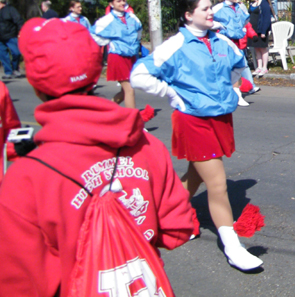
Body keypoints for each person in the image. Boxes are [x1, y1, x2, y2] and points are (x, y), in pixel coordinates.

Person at [0, 18, 195, 294]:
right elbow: (178, 229)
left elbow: (20, 284)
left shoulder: (25, 178)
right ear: (95, 76)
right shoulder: (147, 145)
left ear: (35, 86)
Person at [130, 0, 264, 271]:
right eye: (204, 9)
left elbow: (240, 64)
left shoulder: (220, 40)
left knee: (195, 176)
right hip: (193, 120)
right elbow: (139, 76)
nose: (210, 12)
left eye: (210, 7)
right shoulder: (175, 44)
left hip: (221, 118)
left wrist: (230, 88)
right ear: (188, 15)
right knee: (217, 185)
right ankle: (233, 247)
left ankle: (165, 216)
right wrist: (172, 93)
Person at [91, 0, 143, 108]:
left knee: (125, 91)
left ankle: (106, 110)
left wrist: (135, 44)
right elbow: (92, 33)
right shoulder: (107, 19)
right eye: (118, 1)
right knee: (129, 89)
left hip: (131, 57)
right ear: (111, 4)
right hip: (117, 57)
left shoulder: (132, 17)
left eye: (123, 1)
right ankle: (133, 118)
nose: (122, 3)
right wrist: (107, 41)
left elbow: (139, 30)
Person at [247, 0, 273, 77]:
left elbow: (266, 18)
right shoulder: (252, 4)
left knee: (263, 48)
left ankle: (264, 67)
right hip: (253, 31)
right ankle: (259, 67)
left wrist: (263, 31)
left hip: (260, 30)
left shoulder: (264, 3)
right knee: (256, 48)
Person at [0, 0, 23, 80]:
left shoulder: (10, 9)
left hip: (11, 36)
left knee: (16, 53)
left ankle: (15, 68)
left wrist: (20, 31)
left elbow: (19, 20)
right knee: (3, 55)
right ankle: (8, 72)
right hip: (0, 38)